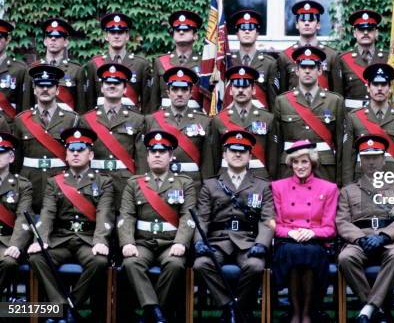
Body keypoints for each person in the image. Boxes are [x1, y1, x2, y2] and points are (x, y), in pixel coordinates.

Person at [27, 127, 114, 323]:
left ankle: (69, 309)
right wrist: (40, 240)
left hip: (88, 239)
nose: (75, 153)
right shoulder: (55, 182)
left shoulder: (103, 182)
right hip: (62, 238)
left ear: (90, 154)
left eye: (81, 149)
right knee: (36, 258)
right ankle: (62, 308)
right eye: (71, 149)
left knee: (99, 261)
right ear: (66, 154)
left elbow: (104, 214)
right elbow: (47, 213)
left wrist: (100, 241)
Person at [194, 130, 274, 323]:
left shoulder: (262, 186)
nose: (238, 155)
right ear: (224, 154)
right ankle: (230, 307)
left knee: (255, 266)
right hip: (218, 240)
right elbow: (202, 218)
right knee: (202, 264)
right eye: (233, 150)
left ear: (250, 155)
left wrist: (262, 244)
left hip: (247, 241)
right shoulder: (211, 185)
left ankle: (238, 307)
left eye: (243, 151)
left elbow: (267, 219)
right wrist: (198, 241)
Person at [118, 130, 196, 323]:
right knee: (131, 262)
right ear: (148, 155)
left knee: (175, 264)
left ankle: (149, 314)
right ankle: (155, 311)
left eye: (163, 152)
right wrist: (127, 242)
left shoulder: (184, 183)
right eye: (153, 151)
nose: (158, 155)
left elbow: (188, 216)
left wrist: (181, 243)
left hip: (170, 243)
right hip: (143, 242)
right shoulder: (134, 184)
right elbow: (126, 216)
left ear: (171, 156)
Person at [336, 135, 394, 323]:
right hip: (361, 240)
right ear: (360, 160)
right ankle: (375, 309)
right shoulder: (348, 190)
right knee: (345, 258)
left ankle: (368, 309)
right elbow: (342, 221)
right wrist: (359, 238)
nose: (371, 162)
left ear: (383, 159)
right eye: (366, 157)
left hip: (391, 240)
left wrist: (384, 236)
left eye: (375, 157)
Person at [271, 140, 339, 323]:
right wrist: (289, 233)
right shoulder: (278, 187)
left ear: (313, 163)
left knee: (308, 252)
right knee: (294, 252)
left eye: (304, 162)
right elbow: (274, 224)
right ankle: (295, 312)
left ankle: (307, 312)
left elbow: (330, 228)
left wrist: (313, 233)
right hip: (288, 241)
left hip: (315, 242)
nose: (300, 166)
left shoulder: (329, 188)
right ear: (290, 164)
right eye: (295, 162)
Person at [80, 63, 146, 211]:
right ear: (102, 87)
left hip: (125, 182)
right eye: (108, 83)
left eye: (117, 83)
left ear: (125, 88)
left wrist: (140, 185)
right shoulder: (87, 120)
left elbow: (141, 159)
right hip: (94, 180)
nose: (112, 86)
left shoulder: (137, 120)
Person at [13, 65, 79, 212]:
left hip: (60, 181)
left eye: (49, 86)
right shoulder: (21, 120)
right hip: (29, 182)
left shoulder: (72, 120)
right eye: (40, 86)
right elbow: (16, 160)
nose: (44, 89)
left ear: (57, 90)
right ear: (34, 89)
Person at [274, 47, 344, 184]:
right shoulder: (282, 101)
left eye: (312, 67)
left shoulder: (335, 101)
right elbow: (276, 145)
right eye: (303, 67)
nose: (307, 71)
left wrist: (341, 180)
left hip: (324, 168)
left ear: (319, 70)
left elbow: (341, 145)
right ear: (296, 70)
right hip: (290, 167)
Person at [204, 66, 279, 180]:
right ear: (230, 90)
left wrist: (270, 182)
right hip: (226, 178)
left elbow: (273, 158)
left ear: (253, 89)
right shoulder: (218, 120)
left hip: (258, 178)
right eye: (237, 86)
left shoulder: (267, 118)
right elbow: (213, 157)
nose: (240, 90)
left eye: (245, 86)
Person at [342, 63, 394, 185]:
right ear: (368, 88)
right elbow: (348, 159)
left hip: (393, 181)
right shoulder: (354, 117)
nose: (379, 88)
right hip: (362, 181)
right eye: (375, 84)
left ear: (390, 88)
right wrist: (348, 188)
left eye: (384, 84)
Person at [145, 66, 210, 189]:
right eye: (175, 89)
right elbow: (146, 157)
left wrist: (206, 190)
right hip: (160, 185)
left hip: (193, 183)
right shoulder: (151, 120)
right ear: (168, 93)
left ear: (191, 93)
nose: (179, 94)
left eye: (184, 89)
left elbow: (207, 163)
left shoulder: (204, 122)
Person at [83, 12, 151, 111]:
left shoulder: (141, 64)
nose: (116, 36)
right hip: (102, 120)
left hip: (132, 122)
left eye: (120, 32)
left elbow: (147, 103)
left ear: (127, 36)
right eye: (112, 32)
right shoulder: (94, 64)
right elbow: (89, 102)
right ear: (106, 36)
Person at [276, 0, 341, 93]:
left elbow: (337, 94)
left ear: (318, 25)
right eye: (302, 20)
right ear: (297, 25)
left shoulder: (331, 55)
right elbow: (282, 94)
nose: (306, 23)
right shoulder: (285, 56)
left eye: (311, 20)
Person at [148, 10, 206, 113]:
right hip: (165, 119)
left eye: (186, 29)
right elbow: (154, 99)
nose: (181, 32)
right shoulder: (160, 62)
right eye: (177, 29)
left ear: (195, 35)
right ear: (173, 34)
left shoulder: (204, 63)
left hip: (195, 118)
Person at [25, 18, 85, 112]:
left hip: (67, 124)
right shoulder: (33, 69)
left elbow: (81, 108)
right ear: (45, 41)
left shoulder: (76, 70)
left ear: (66, 42)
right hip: (39, 124)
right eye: (49, 36)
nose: (53, 39)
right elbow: (27, 106)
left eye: (58, 36)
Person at [226, 9, 279, 110]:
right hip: (232, 119)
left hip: (260, 120)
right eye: (242, 28)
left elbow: (273, 99)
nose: (247, 31)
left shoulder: (269, 63)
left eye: (251, 28)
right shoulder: (228, 62)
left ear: (257, 34)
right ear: (237, 34)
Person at [0, 133, 32, 296]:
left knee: (9, 262)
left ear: (11, 157)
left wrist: (15, 245)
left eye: (1, 152)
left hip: (7, 241)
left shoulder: (22, 185)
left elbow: (23, 218)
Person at [337, 9, 388, 110]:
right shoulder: (343, 60)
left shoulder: (388, 58)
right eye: (361, 30)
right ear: (355, 33)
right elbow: (338, 95)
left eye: (369, 29)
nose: (365, 32)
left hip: (381, 116)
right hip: (352, 116)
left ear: (376, 33)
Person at [0, 18, 29, 125]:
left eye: (0, 37)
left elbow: (25, 107)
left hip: (8, 129)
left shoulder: (19, 68)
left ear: (7, 39)